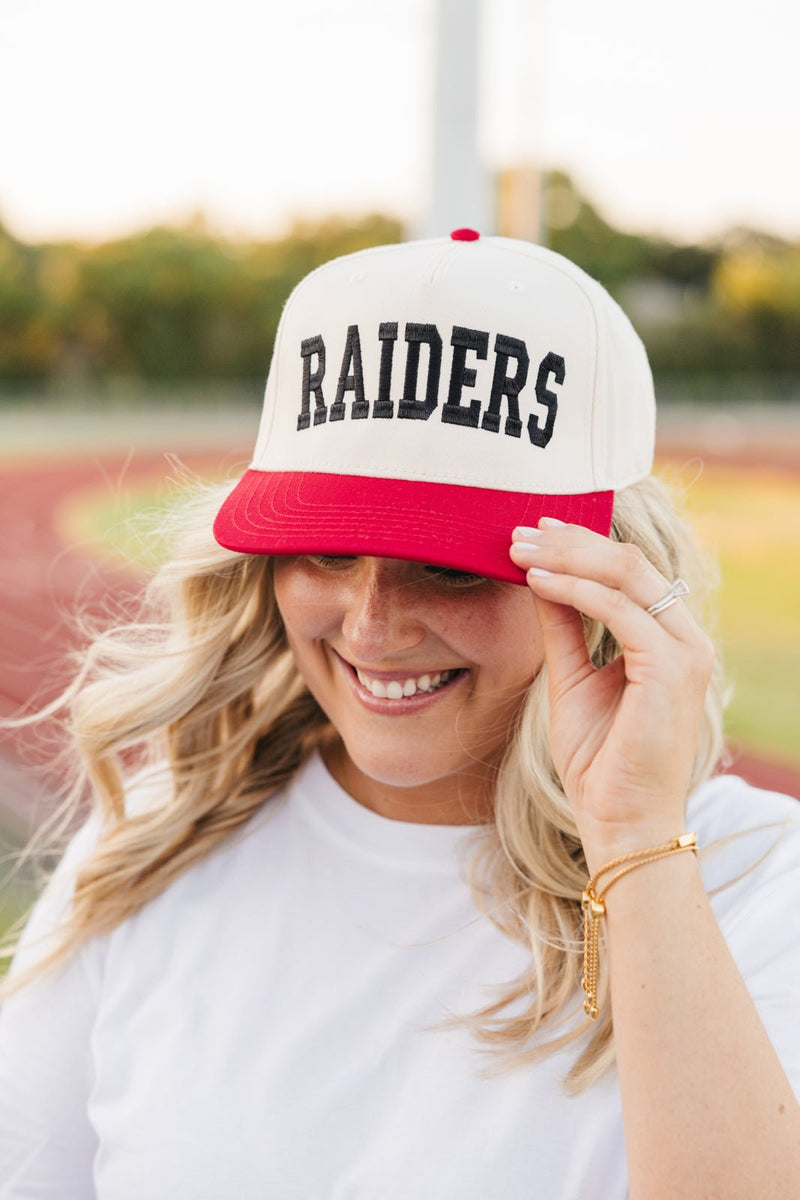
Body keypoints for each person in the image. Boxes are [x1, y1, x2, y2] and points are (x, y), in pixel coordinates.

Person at [1, 231, 799, 1200]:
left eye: (449, 566)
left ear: (603, 578)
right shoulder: (153, 843)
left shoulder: (756, 880)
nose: (372, 625)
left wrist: (630, 838)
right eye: (326, 550)